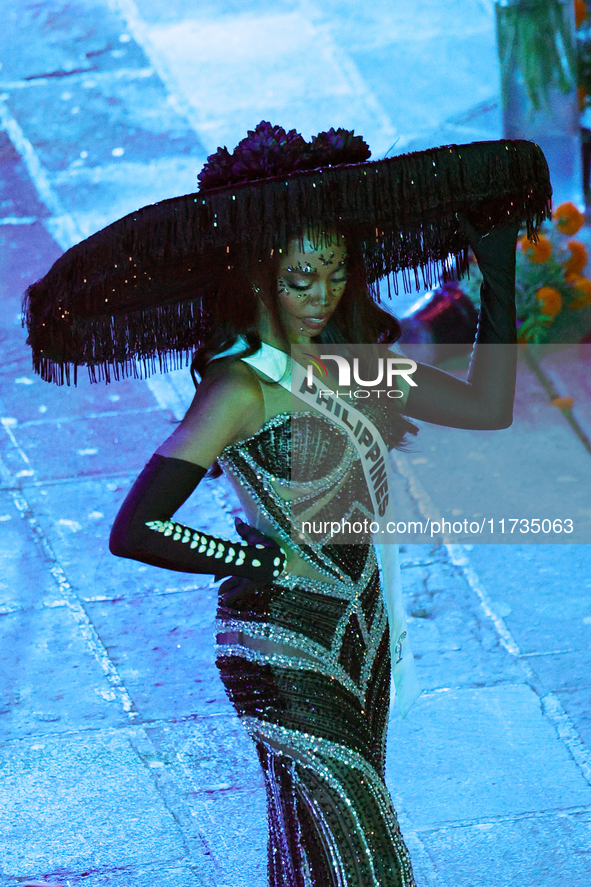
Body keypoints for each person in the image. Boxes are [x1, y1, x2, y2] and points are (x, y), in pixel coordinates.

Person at [24, 123, 551, 887]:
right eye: (302, 276)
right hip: (281, 647)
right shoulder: (236, 387)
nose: (321, 294)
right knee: (363, 851)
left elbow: (486, 406)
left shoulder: (352, 365)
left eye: (335, 274)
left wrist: (494, 265)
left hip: (359, 632)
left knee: (316, 848)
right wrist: (250, 556)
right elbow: (134, 528)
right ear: (262, 275)